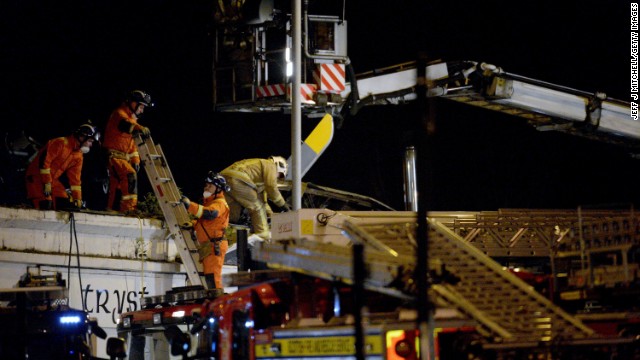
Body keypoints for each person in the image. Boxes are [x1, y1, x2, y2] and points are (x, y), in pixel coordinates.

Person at [25, 123, 100, 210]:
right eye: (90, 141)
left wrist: (77, 198)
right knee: (44, 205)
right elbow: (44, 162)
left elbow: (75, 179)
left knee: (63, 203)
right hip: (36, 177)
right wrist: (47, 182)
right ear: (82, 137)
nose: (91, 145)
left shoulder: (78, 155)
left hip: (52, 181)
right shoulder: (60, 143)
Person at [103, 90, 153, 213]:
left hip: (121, 157)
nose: (142, 110)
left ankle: (113, 209)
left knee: (118, 185)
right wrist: (140, 128)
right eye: (141, 106)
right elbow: (126, 125)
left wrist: (135, 159)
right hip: (112, 155)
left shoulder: (132, 120)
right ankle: (130, 209)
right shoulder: (119, 114)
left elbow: (131, 144)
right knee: (129, 175)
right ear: (133, 103)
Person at [180, 171, 230, 289]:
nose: (206, 187)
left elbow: (209, 214)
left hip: (214, 245)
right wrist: (193, 224)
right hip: (209, 245)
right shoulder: (211, 202)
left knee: (213, 279)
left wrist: (189, 206)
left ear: (218, 189)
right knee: (209, 278)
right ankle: (213, 301)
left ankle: (216, 303)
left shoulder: (219, 203)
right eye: (206, 185)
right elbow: (207, 223)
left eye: (210, 186)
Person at [220, 156, 290, 240]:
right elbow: (271, 187)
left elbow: (263, 201)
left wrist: (270, 214)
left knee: (232, 213)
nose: (277, 178)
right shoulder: (270, 165)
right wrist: (283, 205)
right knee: (256, 207)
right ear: (279, 166)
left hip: (224, 178)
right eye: (280, 175)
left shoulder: (258, 174)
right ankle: (263, 238)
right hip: (239, 178)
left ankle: (221, 232)